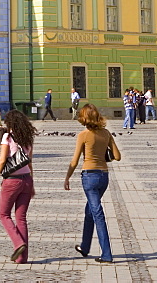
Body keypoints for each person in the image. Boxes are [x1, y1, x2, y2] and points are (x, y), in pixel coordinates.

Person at [64, 103, 120, 264]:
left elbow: (74, 161)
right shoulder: (106, 133)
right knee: (90, 210)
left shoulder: (83, 135)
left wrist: (67, 177)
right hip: (104, 177)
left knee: (97, 214)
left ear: (83, 118)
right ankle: (85, 246)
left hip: (89, 176)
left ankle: (107, 254)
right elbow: (117, 156)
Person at [0, 110, 36, 264]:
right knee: (21, 218)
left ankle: (18, 243)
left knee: (3, 214)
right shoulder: (28, 138)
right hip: (27, 180)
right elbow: (29, 162)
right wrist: (33, 184)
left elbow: (3, 160)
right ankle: (22, 258)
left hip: (12, 181)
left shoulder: (8, 137)